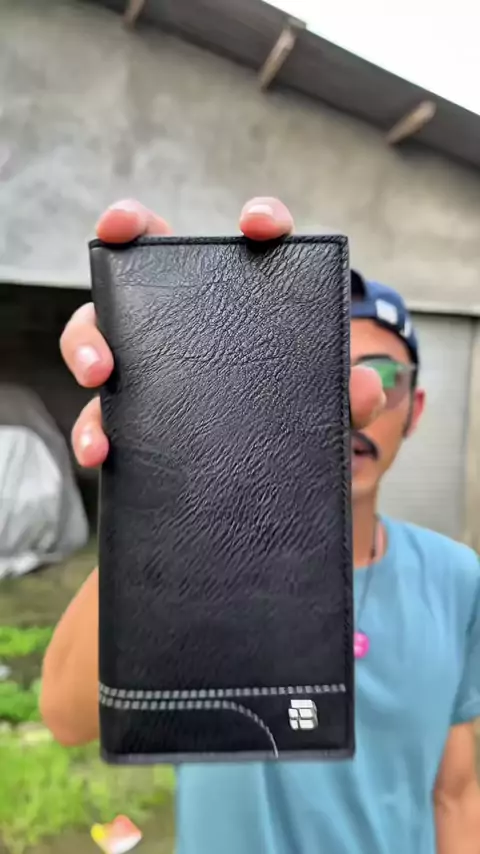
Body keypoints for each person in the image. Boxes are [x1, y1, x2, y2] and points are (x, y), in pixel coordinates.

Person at [40, 198, 480, 854]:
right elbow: (67, 717)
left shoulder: (456, 578)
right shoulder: (197, 564)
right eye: (317, 372)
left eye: (380, 375)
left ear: (412, 409)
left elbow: (456, 791)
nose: (346, 404)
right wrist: (163, 473)